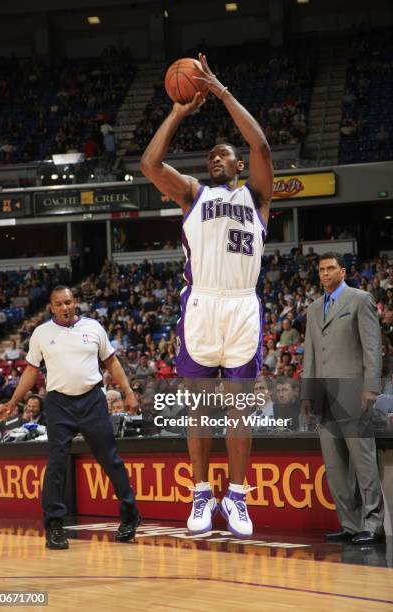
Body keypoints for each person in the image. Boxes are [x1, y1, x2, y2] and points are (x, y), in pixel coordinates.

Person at [140, 53, 273, 537]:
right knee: (197, 406)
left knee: (239, 408)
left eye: (223, 155)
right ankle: (200, 494)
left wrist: (219, 92)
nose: (215, 159)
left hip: (242, 303)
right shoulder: (194, 194)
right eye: (210, 156)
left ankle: (236, 498)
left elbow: (260, 143)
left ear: (238, 164)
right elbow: (150, 163)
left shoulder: (256, 198)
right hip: (201, 303)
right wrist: (178, 110)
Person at [4, 286, 141, 550]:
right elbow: (31, 372)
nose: (65, 307)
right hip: (58, 404)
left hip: (92, 399)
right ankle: (54, 525)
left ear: (75, 302)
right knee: (56, 464)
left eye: (68, 302)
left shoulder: (94, 327)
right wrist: (12, 401)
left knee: (110, 460)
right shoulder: (41, 333)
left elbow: (112, 363)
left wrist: (128, 393)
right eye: (59, 304)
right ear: (51, 307)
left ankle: (130, 514)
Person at [301, 252, 384, 545]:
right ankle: (350, 524)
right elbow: (310, 353)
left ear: (342, 272)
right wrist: (307, 393)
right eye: (321, 269)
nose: (325, 273)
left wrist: (371, 387)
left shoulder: (360, 299)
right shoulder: (312, 309)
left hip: (353, 392)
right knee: (335, 467)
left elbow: (372, 348)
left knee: (363, 464)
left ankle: (373, 524)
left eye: (331, 268)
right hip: (323, 396)